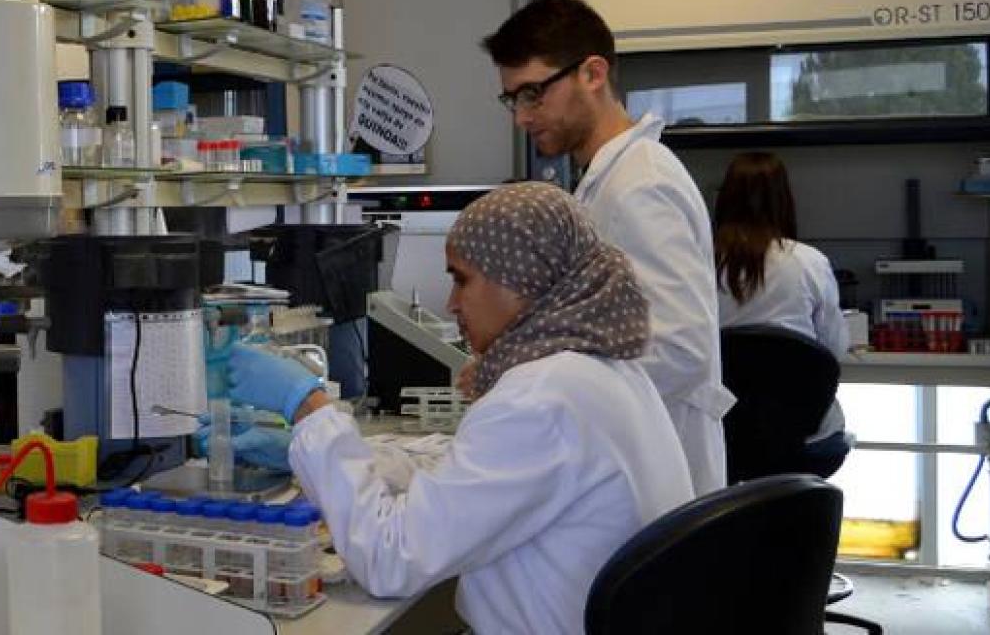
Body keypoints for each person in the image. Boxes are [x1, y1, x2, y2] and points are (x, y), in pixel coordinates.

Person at [225, 184, 693, 634]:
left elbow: (390, 561)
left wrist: (310, 407)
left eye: (462, 279)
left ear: (521, 279)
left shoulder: (540, 397)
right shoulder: (606, 372)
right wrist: (309, 451)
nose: (450, 304)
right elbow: (466, 466)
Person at [483, 0, 732, 494]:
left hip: (658, 467)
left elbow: (681, 349)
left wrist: (550, 385)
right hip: (631, 460)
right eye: (513, 99)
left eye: (533, 93)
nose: (522, 117)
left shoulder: (640, 185)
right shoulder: (611, 179)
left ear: (592, 74)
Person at [713, 151, 851, 463]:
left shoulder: (696, 263)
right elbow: (834, 351)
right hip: (804, 437)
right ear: (784, 200)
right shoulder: (808, 262)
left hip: (723, 439)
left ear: (725, 200)